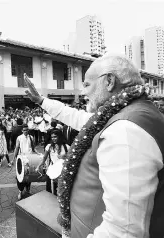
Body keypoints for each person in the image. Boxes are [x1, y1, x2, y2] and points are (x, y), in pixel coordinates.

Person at [24, 54, 164, 238]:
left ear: (109, 81)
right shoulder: (125, 114)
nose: (83, 92)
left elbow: (123, 231)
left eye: (87, 84)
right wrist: (42, 101)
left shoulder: (125, 129)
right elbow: (77, 117)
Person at [36, 129, 69, 195]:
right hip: (52, 171)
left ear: (59, 136)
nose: (53, 139)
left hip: (62, 172)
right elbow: (44, 158)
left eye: (55, 137)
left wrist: (65, 157)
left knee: (61, 191)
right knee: (51, 191)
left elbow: (71, 159)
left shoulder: (66, 147)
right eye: (52, 137)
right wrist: (39, 166)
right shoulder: (49, 147)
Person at [12, 124, 37, 200]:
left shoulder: (31, 137)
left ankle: (28, 189)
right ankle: (20, 190)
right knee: (20, 176)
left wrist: (38, 153)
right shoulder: (19, 138)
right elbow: (16, 148)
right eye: (24, 130)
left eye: (27, 130)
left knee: (29, 175)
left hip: (30, 159)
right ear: (22, 131)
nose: (26, 131)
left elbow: (33, 148)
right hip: (21, 159)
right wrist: (14, 158)